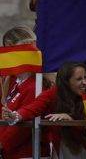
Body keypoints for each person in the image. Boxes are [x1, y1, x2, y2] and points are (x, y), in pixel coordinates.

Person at [2, 62, 86, 159]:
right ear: (66, 81)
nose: (84, 82)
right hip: (63, 149)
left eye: (85, 78)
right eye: (79, 79)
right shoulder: (54, 93)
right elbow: (34, 107)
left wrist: (72, 119)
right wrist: (16, 116)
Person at [0, 26, 47, 159]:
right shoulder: (15, 82)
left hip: (26, 153)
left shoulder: (35, 85)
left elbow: (22, 128)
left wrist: (2, 144)